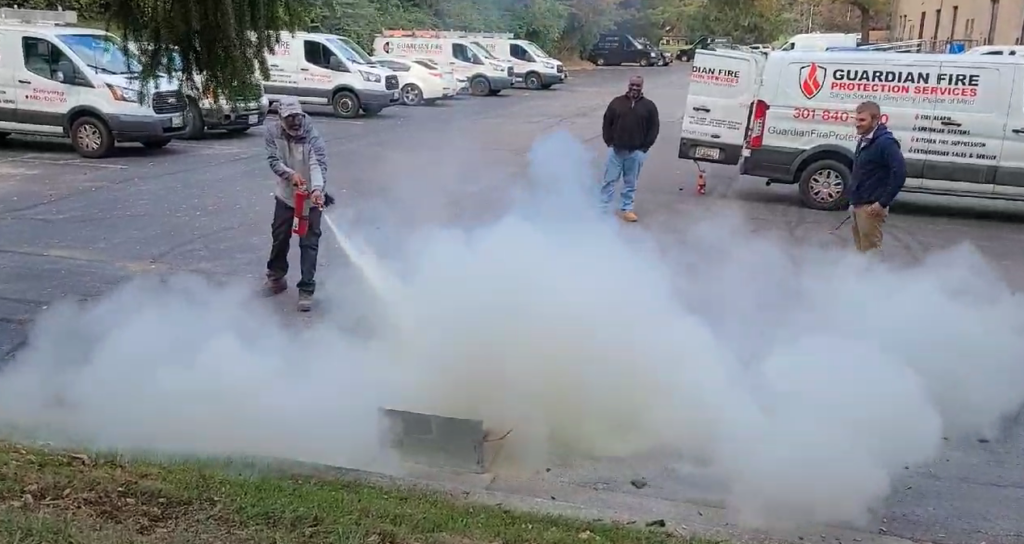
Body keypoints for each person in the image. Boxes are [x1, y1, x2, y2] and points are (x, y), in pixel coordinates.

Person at [262, 97, 329, 312]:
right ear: (281, 118)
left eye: (297, 117)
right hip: (285, 195)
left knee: (309, 243)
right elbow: (274, 161)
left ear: (302, 115)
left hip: (311, 196)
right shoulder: (272, 133)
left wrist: (317, 189)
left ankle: (306, 289)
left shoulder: (312, 137)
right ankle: (276, 278)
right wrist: (291, 176)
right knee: (279, 236)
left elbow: (318, 165)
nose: (294, 123)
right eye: (289, 118)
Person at [600, 75, 660, 222]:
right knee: (609, 180)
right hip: (616, 151)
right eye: (632, 85)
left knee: (630, 183)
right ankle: (603, 208)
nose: (634, 88)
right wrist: (609, 141)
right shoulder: (617, 103)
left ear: (642, 87)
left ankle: (627, 209)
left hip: (635, 153)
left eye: (637, 86)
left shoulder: (649, 106)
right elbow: (607, 122)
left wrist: (644, 148)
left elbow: (654, 128)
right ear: (628, 85)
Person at [849, 101, 906, 253]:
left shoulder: (886, 143)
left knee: (870, 253)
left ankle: (872, 277)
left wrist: (882, 203)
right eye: (856, 119)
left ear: (875, 120)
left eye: (862, 120)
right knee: (861, 250)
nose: (857, 124)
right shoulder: (865, 138)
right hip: (859, 204)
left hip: (871, 208)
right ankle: (859, 277)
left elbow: (900, 173)